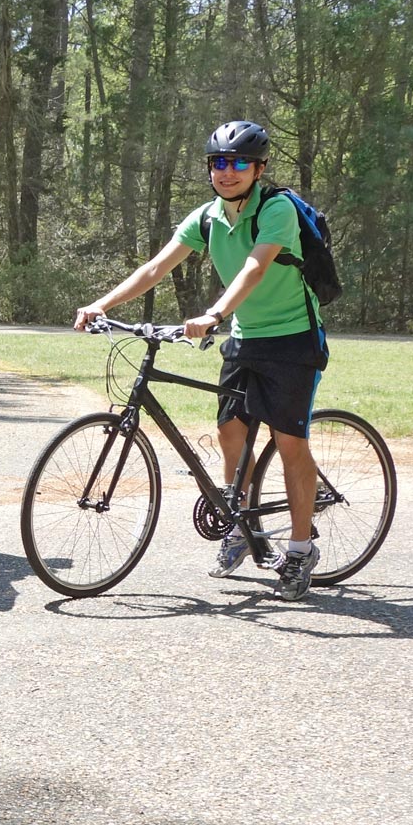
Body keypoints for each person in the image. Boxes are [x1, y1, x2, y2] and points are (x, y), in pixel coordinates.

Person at [74, 120, 328, 600]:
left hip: (293, 340)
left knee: (289, 441)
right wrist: (101, 305)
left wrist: (214, 313)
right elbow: (154, 267)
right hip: (247, 338)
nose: (226, 172)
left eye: (237, 163)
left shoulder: (275, 210)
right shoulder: (207, 217)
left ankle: (299, 549)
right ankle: (242, 528)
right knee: (231, 433)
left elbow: (256, 265)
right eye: (218, 163)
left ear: (259, 168)